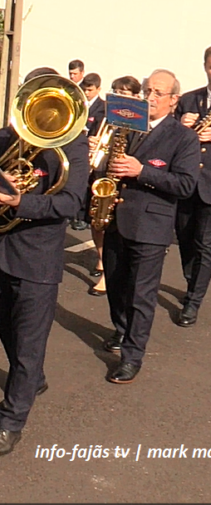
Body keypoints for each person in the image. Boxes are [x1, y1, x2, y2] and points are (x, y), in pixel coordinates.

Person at [0, 67, 89, 457]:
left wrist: (19, 201)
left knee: (28, 344)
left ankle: (11, 421)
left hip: (38, 257)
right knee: (9, 334)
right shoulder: (7, 136)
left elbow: (72, 203)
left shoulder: (73, 146)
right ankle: (32, 378)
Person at [102, 69, 199, 384]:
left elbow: (185, 184)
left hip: (151, 225)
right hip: (116, 217)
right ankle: (121, 330)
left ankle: (132, 356)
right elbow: (109, 163)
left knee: (141, 295)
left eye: (158, 93)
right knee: (115, 286)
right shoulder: (127, 126)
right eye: (147, 91)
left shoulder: (183, 137)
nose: (150, 97)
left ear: (174, 100)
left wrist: (142, 171)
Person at [85, 75, 141, 297]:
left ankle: (109, 272)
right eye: (116, 91)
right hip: (100, 173)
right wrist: (90, 143)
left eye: (124, 93)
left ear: (136, 96)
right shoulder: (103, 116)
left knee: (114, 226)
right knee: (96, 220)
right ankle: (101, 258)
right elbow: (93, 138)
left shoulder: (138, 121)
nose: (119, 96)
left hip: (120, 176)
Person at [175, 47, 211, 327]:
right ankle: (191, 281)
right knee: (185, 239)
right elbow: (168, 136)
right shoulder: (189, 99)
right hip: (186, 183)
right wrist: (180, 127)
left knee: (204, 244)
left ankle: (194, 300)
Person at [72, 73, 104, 232]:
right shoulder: (78, 102)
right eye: (84, 89)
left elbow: (100, 129)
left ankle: (83, 215)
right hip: (77, 145)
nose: (86, 93)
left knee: (87, 183)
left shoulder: (102, 107)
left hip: (91, 146)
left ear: (98, 89)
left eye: (90, 90)